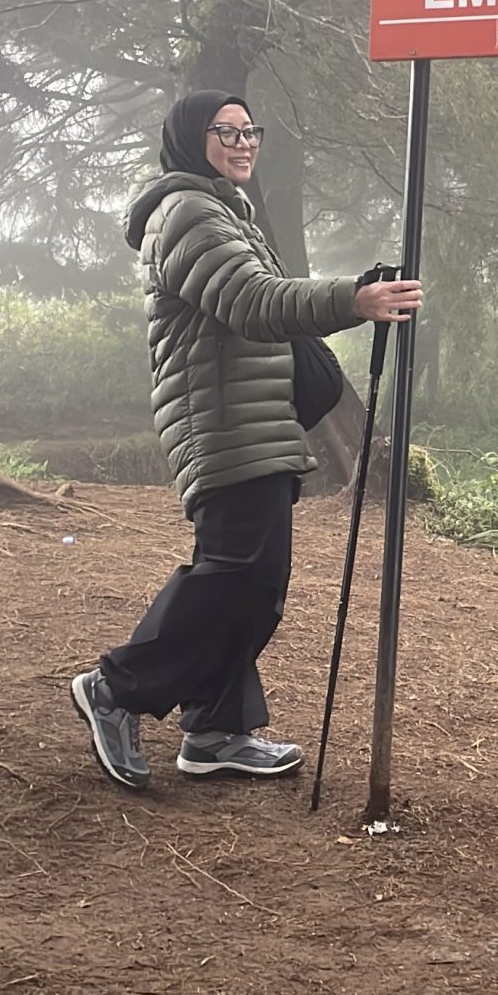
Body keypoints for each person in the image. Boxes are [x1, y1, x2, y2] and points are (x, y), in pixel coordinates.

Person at [72, 92, 422, 791]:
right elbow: (252, 301)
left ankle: (215, 731)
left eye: (249, 130)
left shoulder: (222, 210)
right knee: (234, 577)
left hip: (253, 423)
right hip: (223, 426)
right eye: (224, 131)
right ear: (188, 139)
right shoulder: (188, 214)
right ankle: (114, 689)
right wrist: (352, 300)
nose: (242, 141)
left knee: (254, 584)